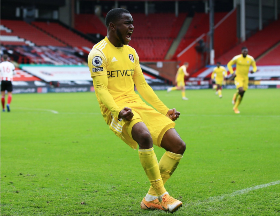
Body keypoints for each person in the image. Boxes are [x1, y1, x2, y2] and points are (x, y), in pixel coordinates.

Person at [88, 8, 186, 213]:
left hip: (135, 103)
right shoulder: (98, 53)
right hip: (115, 109)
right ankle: (163, 195)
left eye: (133, 22)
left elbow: (142, 86)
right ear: (112, 26)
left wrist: (164, 110)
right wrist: (116, 111)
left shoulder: (131, 53)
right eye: (127, 23)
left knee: (177, 145)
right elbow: (101, 89)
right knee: (144, 135)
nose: (132, 27)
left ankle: (151, 197)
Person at [227, 47, 257, 114]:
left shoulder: (250, 58)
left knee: (242, 93)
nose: (245, 52)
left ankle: (235, 99)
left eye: (246, 51)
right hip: (238, 77)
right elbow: (229, 64)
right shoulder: (237, 58)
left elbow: (255, 67)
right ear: (241, 52)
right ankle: (235, 108)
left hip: (245, 78)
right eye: (244, 51)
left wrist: (253, 71)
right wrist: (232, 73)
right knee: (241, 90)